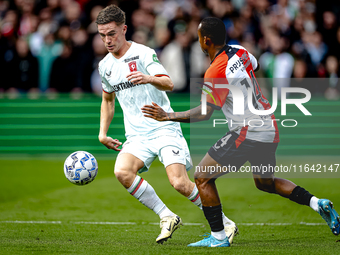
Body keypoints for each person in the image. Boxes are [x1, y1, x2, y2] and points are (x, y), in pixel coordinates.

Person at [141, 17, 340, 247]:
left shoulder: (215, 71)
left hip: (248, 130)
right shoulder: (241, 50)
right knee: (265, 182)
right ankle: (317, 203)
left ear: (206, 40)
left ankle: (218, 237)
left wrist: (168, 115)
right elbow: (254, 68)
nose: (198, 40)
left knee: (202, 177)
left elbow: (204, 113)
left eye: (198, 36)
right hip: (269, 125)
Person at [96, 5, 238, 244]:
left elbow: (168, 83)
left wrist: (148, 78)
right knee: (121, 171)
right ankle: (167, 216)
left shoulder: (142, 53)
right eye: (102, 35)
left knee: (179, 182)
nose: (107, 40)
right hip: (137, 136)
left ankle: (225, 223)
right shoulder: (105, 66)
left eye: (111, 33)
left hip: (163, 127)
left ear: (124, 29)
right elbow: (107, 101)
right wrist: (102, 133)